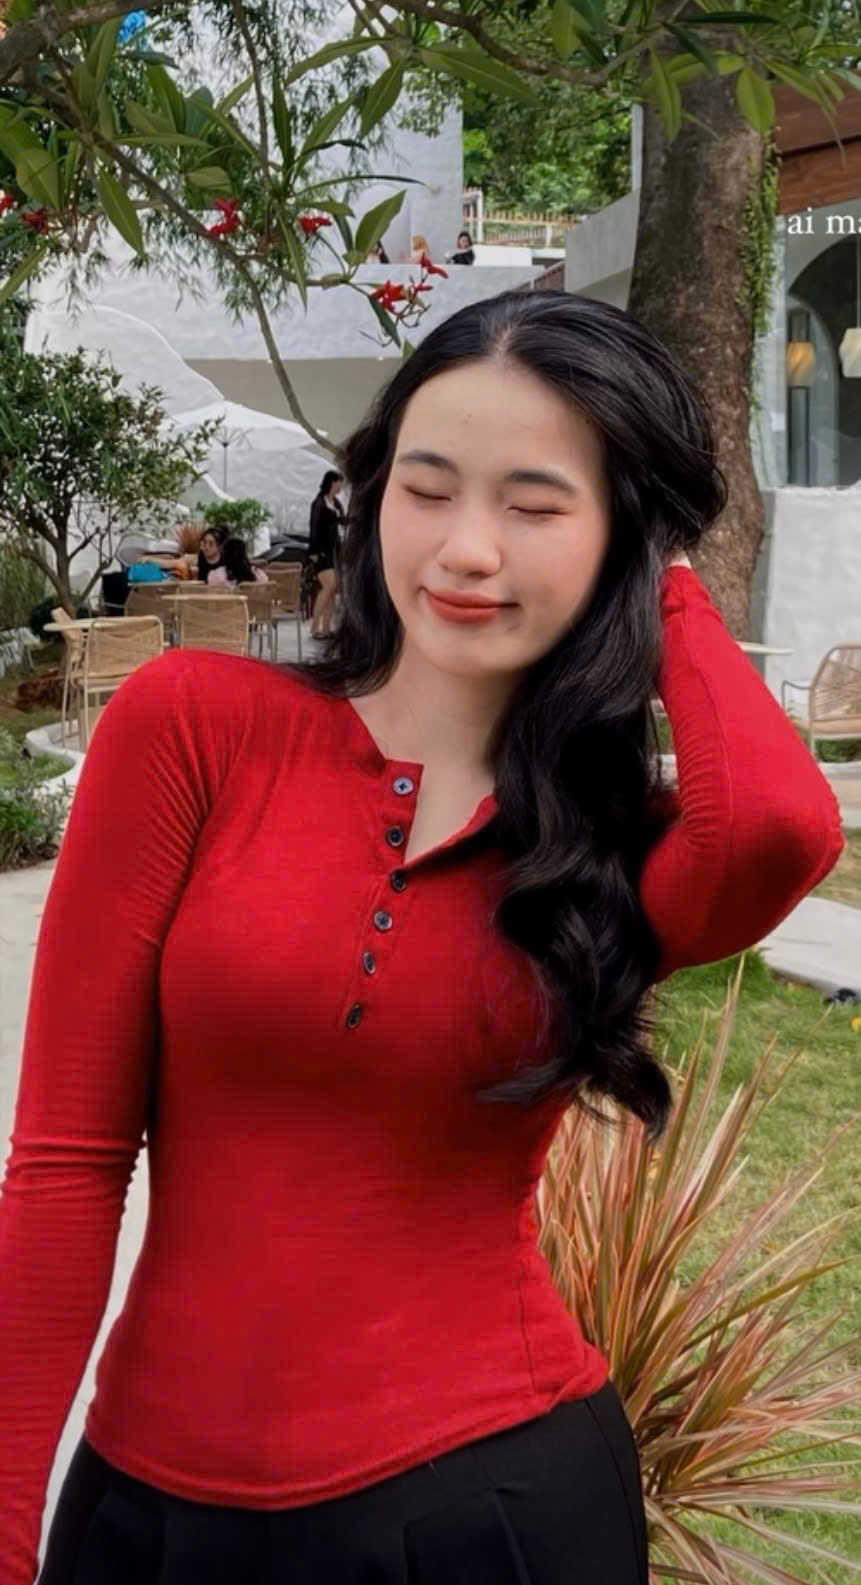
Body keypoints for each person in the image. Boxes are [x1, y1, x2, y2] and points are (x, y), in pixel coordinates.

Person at [1, 292, 844, 1585]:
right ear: (372, 492)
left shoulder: (609, 848)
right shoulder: (195, 726)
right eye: (427, 487)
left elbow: (781, 825)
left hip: (487, 1510)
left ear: (621, 535)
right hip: (149, 1517)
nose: (464, 547)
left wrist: (666, 580)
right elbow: (66, 1166)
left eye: (535, 505)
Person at [307, 469, 345, 639]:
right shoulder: (318, 503)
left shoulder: (336, 503)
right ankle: (315, 626)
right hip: (320, 552)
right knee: (329, 586)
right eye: (339, 483)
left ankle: (326, 629)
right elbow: (314, 528)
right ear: (332, 482)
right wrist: (314, 552)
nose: (341, 487)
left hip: (334, 551)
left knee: (332, 589)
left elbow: (342, 521)